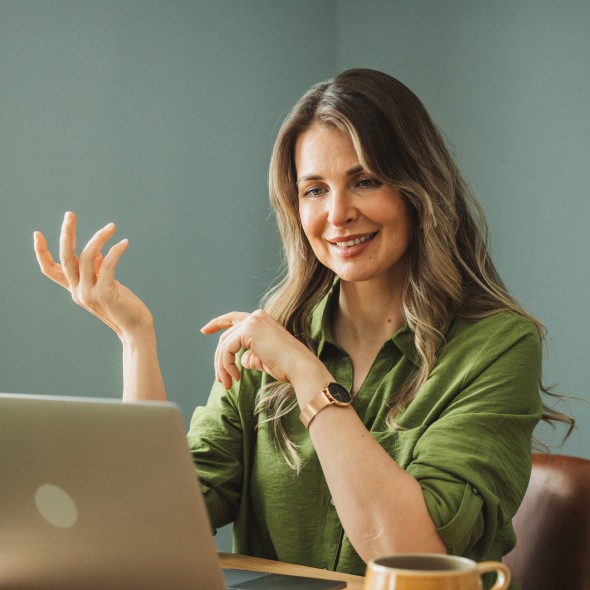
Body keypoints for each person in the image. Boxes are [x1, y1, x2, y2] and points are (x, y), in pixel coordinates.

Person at [34, 68, 573, 587]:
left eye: (365, 180)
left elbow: (412, 556)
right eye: (314, 189)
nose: (337, 213)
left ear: (418, 190)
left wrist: (308, 376)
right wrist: (136, 340)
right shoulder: (273, 337)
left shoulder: (498, 346)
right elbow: (154, 524)